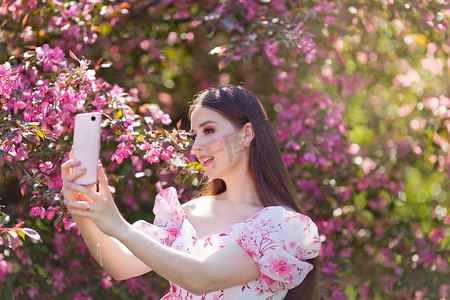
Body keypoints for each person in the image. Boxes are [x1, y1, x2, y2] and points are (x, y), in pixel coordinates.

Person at [62, 85, 321, 300]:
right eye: (195, 135)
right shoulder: (185, 216)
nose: (197, 146)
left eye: (208, 131)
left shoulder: (285, 226)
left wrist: (119, 226)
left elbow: (202, 278)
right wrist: (82, 206)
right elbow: (119, 265)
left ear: (247, 133)